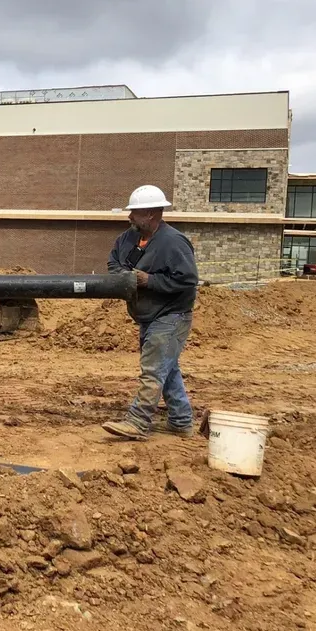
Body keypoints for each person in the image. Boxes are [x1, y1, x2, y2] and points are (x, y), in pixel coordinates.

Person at [103, 185, 199, 441]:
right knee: (167, 368)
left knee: (154, 369)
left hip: (171, 315)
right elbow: (114, 262)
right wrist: (125, 278)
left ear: (151, 214)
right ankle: (181, 421)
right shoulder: (127, 239)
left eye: (134, 212)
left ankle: (138, 421)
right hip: (147, 314)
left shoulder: (173, 242)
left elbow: (188, 280)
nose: (129, 217)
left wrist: (150, 281)